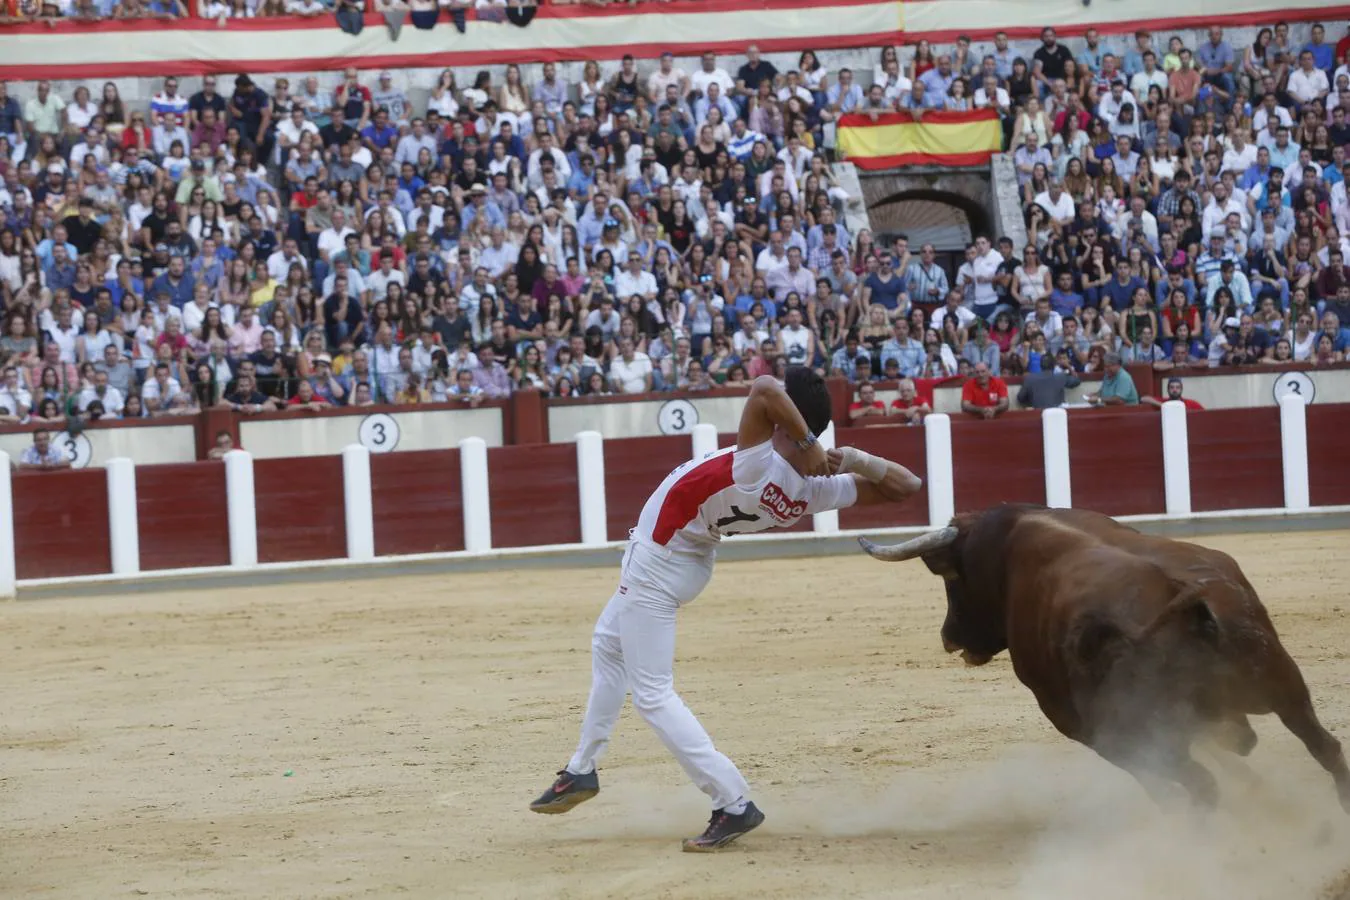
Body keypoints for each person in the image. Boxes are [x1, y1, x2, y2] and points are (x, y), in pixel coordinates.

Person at [530, 369, 922, 851]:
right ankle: (581, 770)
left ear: (782, 424)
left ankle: (732, 801)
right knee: (608, 647)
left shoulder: (755, 465)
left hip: (659, 561)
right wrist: (853, 457)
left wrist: (806, 441)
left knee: (652, 694)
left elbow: (763, 388)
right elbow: (909, 485)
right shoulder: (810, 491)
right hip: (688, 560)